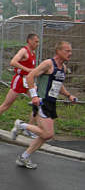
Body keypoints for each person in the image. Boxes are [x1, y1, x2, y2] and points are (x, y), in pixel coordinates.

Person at [10, 41, 76, 169]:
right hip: (42, 101)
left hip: (51, 103)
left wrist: (68, 95)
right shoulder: (48, 64)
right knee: (48, 134)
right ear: (58, 51)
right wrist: (34, 95)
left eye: (70, 51)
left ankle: (24, 157)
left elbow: (59, 85)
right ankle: (21, 125)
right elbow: (30, 76)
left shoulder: (62, 68)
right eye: (67, 51)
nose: (70, 53)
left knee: (44, 135)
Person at [0, 33, 40, 141]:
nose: (38, 44)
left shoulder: (33, 53)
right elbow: (13, 62)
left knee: (37, 102)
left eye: (38, 42)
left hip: (28, 82)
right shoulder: (24, 51)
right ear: (29, 41)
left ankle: (29, 128)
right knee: (6, 105)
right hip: (19, 80)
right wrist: (26, 70)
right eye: (36, 41)